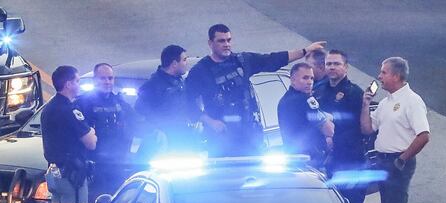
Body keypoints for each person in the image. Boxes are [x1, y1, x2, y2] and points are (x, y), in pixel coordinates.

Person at [186, 23, 326, 157]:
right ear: (210, 43)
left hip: (251, 137)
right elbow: (189, 104)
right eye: (221, 41)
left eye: (229, 40)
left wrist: (305, 51)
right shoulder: (200, 71)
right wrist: (211, 122)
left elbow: (273, 59)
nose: (226, 44)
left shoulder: (242, 61)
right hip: (221, 140)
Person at [360, 57, 430, 203]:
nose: (379, 77)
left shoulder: (412, 101)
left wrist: (402, 159)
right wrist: (365, 103)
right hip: (381, 161)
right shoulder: (385, 103)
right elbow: (367, 128)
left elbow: (423, 135)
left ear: (397, 76)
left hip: (398, 163)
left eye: (383, 72)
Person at [41, 65, 97, 203]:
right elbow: (90, 142)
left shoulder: (50, 108)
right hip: (70, 175)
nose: (80, 85)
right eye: (77, 81)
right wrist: (92, 132)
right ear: (68, 84)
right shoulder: (68, 110)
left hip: (58, 172)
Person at [315, 49, 367, 203]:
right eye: (329, 64)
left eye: (336, 64)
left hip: (350, 159)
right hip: (326, 160)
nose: (331, 67)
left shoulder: (355, 94)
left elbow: (360, 128)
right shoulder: (319, 90)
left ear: (346, 67)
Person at [75, 63, 137, 203]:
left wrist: (156, 131)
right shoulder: (83, 103)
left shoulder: (119, 101)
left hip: (118, 163)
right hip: (95, 166)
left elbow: (137, 121)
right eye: (102, 78)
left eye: (110, 78)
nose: (107, 82)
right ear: (94, 80)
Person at [136, 45, 198, 155]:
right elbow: (141, 110)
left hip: (183, 138)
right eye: (184, 60)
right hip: (164, 143)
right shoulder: (153, 85)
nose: (186, 63)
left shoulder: (180, 81)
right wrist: (158, 129)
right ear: (174, 64)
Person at [278, 63, 334, 166]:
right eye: (305, 78)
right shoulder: (306, 100)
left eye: (312, 78)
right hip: (310, 159)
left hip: (293, 158)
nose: (309, 82)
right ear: (293, 80)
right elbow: (329, 130)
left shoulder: (284, 100)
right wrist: (329, 120)